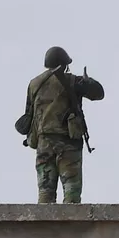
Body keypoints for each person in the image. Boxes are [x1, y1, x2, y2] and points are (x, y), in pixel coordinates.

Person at [23, 46, 105, 203]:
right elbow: (99, 94)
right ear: (64, 63)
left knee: (45, 192)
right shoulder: (72, 80)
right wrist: (88, 82)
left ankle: (44, 226)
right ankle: (70, 227)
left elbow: (29, 114)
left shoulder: (34, 84)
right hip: (68, 142)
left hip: (43, 143)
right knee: (72, 191)